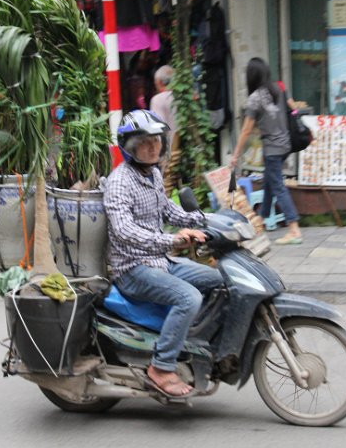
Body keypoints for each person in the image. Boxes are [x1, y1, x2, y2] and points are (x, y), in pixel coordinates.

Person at [103, 109, 224, 397]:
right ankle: (161, 365)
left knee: (218, 279)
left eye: (157, 141)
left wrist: (208, 221)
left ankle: (193, 341)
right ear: (130, 147)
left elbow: (169, 210)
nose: (153, 147)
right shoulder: (120, 182)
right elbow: (124, 232)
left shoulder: (154, 174)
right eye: (145, 142)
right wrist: (171, 241)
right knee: (188, 297)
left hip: (160, 261)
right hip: (132, 269)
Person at [230, 57, 302, 245]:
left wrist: (236, 155)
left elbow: (246, 130)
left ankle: (294, 228)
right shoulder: (277, 90)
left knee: (277, 185)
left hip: (272, 148)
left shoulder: (254, 99)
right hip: (285, 144)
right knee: (270, 181)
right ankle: (260, 221)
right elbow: (293, 108)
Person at [149, 65, 177, 144]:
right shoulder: (181, 96)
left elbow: (158, 129)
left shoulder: (158, 99)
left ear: (158, 82)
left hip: (168, 149)